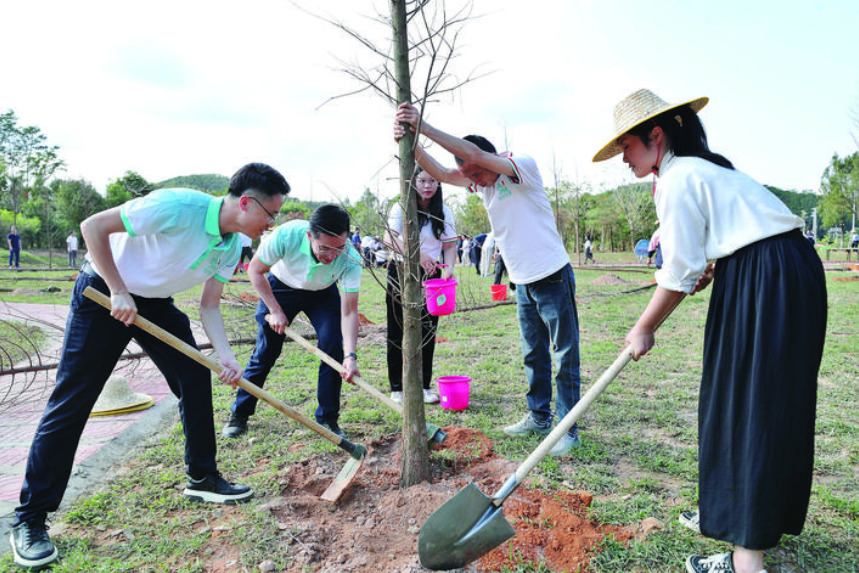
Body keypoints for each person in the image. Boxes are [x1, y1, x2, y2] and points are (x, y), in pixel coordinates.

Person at [8, 163, 290, 570]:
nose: (271, 223)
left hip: (155, 304)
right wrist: (119, 290)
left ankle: (202, 477)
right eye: (270, 214)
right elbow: (92, 228)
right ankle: (30, 519)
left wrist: (225, 357)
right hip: (104, 292)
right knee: (73, 400)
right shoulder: (176, 205)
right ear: (246, 203)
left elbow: (208, 305)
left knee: (194, 377)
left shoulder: (231, 246)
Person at [593, 89, 826, 573]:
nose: (623, 160)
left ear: (655, 137)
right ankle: (740, 513)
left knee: (747, 404)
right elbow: (734, 236)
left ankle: (746, 557)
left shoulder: (679, 178)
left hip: (766, 281)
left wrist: (644, 328)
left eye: (627, 148)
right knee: (761, 401)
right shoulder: (707, 169)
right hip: (784, 271)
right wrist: (717, 264)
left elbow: (677, 272)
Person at [394, 102, 581, 456]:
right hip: (523, 280)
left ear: (488, 160)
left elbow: (474, 155)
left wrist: (425, 125)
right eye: (472, 177)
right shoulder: (483, 181)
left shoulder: (518, 167)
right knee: (534, 353)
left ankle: (566, 428)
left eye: (477, 174)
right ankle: (539, 417)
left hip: (553, 275)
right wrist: (411, 139)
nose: (474, 183)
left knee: (564, 353)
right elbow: (445, 173)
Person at [222, 204, 362, 440]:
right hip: (280, 287)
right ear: (310, 236)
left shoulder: (350, 257)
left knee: (333, 347)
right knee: (267, 351)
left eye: (339, 248)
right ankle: (240, 414)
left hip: (323, 293)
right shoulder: (286, 235)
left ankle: (327, 419)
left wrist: (351, 356)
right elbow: (255, 270)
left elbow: (349, 312)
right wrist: (275, 310)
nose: (331, 256)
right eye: (324, 248)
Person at [384, 167, 457, 405]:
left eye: (433, 181)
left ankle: (424, 386)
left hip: (431, 274)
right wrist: (419, 255)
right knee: (397, 328)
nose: (428, 186)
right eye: (423, 180)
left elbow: (449, 245)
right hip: (401, 270)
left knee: (428, 330)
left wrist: (448, 269)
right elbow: (390, 238)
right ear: (413, 181)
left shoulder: (443, 211)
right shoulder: (402, 206)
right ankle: (397, 388)